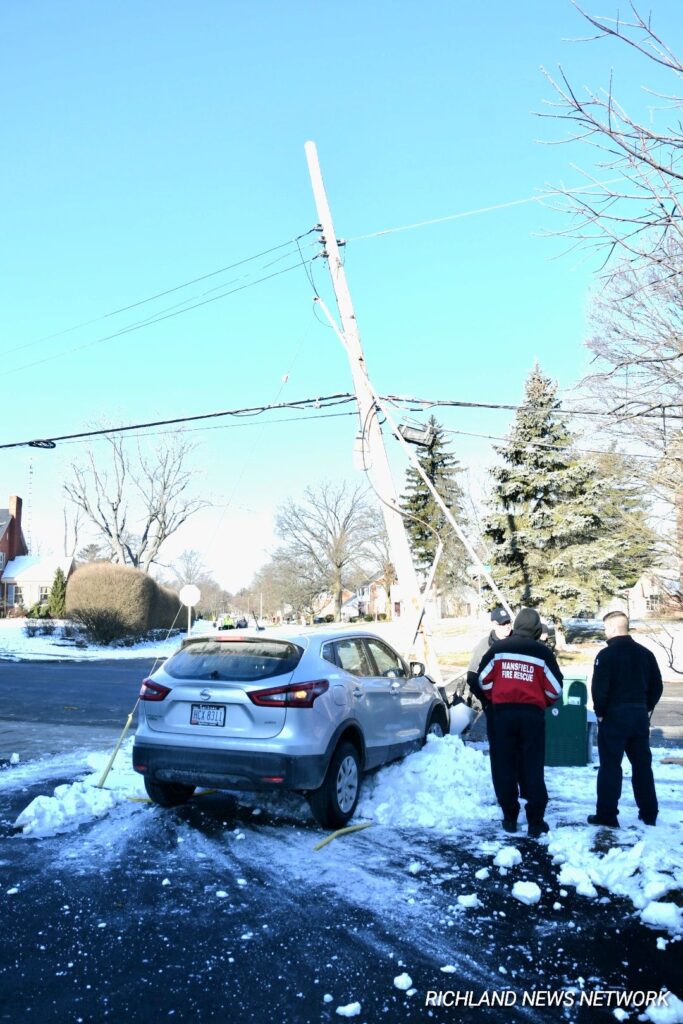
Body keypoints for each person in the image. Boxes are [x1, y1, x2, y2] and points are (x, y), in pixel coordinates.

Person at [477, 607, 563, 837]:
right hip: (531, 716)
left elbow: (482, 680)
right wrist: (540, 702)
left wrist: (495, 697)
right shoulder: (542, 653)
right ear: (536, 629)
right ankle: (535, 821)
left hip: (502, 714)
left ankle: (509, 818)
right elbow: (555, 690)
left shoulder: (499, 649)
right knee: (532, 765)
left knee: (504, 764)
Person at [588, 610, 663, 829]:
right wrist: (645, 707)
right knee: (642, 766)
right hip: (639, 716)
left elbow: (600, 689)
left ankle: (607, 814)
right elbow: (657, 686)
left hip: (614, 717)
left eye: (605, 628)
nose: (604, 633)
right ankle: (649, 813)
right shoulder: (646, 654)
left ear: (611, 628)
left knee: (610, 767)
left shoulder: (606, 655)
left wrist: (600, 712)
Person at [466, 606, 513, 793]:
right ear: (493, 624)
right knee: (499, 750)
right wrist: (486, 700)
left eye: (508, 623)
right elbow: (472, 676)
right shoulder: (484, 646)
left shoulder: (517, 642)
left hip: (516, 705)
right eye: (502, 624)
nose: (506, 627)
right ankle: (502, 789)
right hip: (494, 706)